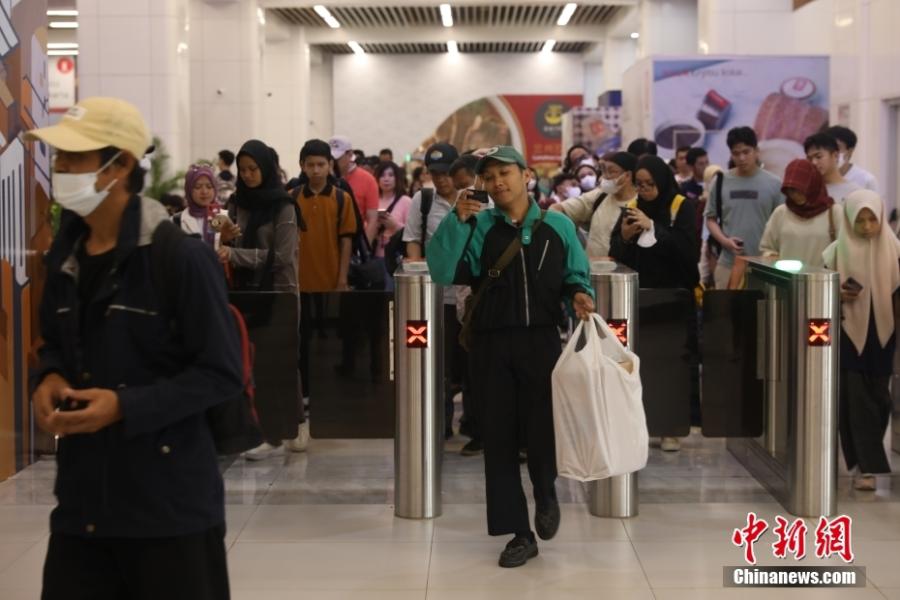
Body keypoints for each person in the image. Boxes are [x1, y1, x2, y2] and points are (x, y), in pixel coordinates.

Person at [27, 97, 240, 599]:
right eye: (59, 158)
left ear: (119, 165)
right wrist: (49, 378)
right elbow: (54, 344)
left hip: (169, 511)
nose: (60, 169)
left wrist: (124, 406)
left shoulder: (179, 259)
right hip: (82, 508)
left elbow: (221, 372)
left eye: (74, 158)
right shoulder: (65, 259)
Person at [427, 145, 594, 567]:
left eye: (505, 173)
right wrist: (456, 221)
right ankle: (519, 532)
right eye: (489, 176)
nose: (497, 182)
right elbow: (442, 271)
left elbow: (575, 273)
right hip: (490, 343)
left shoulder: (557, 225)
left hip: (541, 341)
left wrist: (579, 293)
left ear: (526, 175)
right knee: (498, 438)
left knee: (542, 428)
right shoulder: (476, 225)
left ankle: (546, 492)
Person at [218, 139, 306, 460]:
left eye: (253, 169)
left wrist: (235, 254)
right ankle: (276, 429)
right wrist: (224, 239)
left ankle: (283, 430)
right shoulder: (237, 203)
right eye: (242, 169)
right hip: (246, 292)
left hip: (280, 292)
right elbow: (227, 243)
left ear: (266, 168)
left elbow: (281, 256)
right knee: (256, 362)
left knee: (280, 363)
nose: (247, 175)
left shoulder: (284, 206)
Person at [610, 155, 700, 452]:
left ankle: (670, 428)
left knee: (671, 366)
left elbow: (688, 253)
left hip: (674, 298)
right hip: (640, 298)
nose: (644, 190)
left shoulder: (681, 207)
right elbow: (617, 252)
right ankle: (638, 426)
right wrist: (624, 237)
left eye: (650, 184)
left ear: (662, 181)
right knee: (640, 365)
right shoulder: (632, 207)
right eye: (639, 184)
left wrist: (655, 228)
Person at [823, 189, 900, 491]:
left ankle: (862, 460)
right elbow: (818, 293)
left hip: (883, 333)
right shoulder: (833, 253)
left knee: (880, 398)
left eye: (873, 219)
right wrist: (837, 294)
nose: (867, 227)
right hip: (848, 330)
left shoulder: (895, 251)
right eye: (860, 220)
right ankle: (865, 467)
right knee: (854, 398)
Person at [404, 142, 465, 440]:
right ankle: (441, 424)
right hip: (437, 297)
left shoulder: (476, 198)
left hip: (469, 296)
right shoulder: (423, 199)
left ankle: (474, 423)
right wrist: (417, 274)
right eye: (434, 173)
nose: (440, 179)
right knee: (440, 365)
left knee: (470, 363)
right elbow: (413, 239)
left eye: (446, 172)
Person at [295, 139, 359, 413]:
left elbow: (346, 240)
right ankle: (306, 394)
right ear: (302, 166)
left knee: (332, 340)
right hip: (300, 282)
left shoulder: (342, 198)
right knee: (303, 340)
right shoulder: (292, 197)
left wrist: (342, 278)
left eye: (321, 164)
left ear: (330, 165)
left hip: (332, 280)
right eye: (310, 164)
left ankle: (332, 394)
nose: (316, 170)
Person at [705, 126, 783, 289]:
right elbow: (710, 219)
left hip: (764, 264)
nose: (741, 158)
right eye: (736, 153)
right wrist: (725, 241)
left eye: (746, 152)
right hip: (728, 263)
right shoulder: (720, 182)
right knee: (725, 305)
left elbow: (781, 224)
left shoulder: (774, 184)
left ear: (756, 151)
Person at [550, 151, 639, 258]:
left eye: (612, 172)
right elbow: (557, 209)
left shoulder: (640, 203)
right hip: (591, 266)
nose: (606, 177)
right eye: (604, 171)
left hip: (621, 267)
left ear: (627, 175)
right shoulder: (600, 195)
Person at [759, 159, 842, 268]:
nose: (795, 195)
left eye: (800, 189)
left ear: (812, 185)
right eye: (790, 190)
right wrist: (772, 258)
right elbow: (767, 248)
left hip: (822, 277)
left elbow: (844, 251)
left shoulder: (834, 212)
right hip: (786, 277)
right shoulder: (781, 212)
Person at [330, 135, 380, 245]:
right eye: (331, 159)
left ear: (350, 155)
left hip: (354, 241)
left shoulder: (368, 180)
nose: (333, 163)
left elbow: (372, 219)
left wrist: (364, 248)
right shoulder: (326, 178)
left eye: (337, 159)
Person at [374, 160, 412, 281]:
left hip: (396, 257)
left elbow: (412, 232)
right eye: (382, 175)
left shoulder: (406, 201)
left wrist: (395, 225)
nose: (386, 179)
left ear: (397, 178)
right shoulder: (373, 200)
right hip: (374, 256)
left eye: (390, 175)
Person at [174, 164, 224, 248]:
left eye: (209, 186)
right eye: (198, 187)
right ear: (189, 190)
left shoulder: (225, 217)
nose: (204, 191)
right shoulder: (176, 221)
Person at [804, 132, 860, 204]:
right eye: (810, 159)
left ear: (835, 156)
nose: (814, 162)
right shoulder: (807, 192)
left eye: (818, 157)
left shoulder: (854, 192)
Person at [826, 125, 879, 192]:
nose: (833, 153)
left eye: (837, 148)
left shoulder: (866, 180)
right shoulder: (820, 179)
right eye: (828, 148)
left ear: (850, 151)